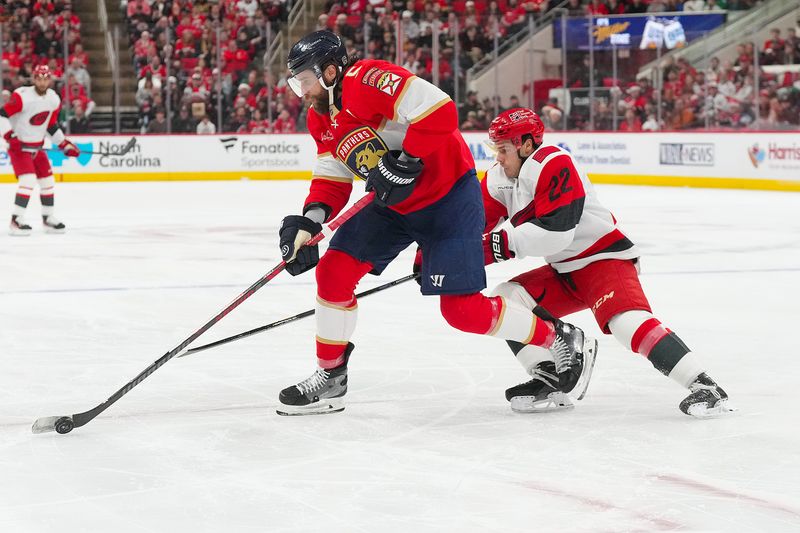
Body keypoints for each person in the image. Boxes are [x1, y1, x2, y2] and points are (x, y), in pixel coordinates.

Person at [275, 31, 593, 416]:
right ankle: (331, 377)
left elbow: (441, 110)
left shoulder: (366, 79)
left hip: (448, 199)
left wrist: (407, 160)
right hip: (392, 205)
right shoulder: (319, 117)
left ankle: (557, 337)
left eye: (305, 80)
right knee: (333, 272)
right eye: (297, 83)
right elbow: (332, 174)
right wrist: (310, 222)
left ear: (330, 71)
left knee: (463, 312)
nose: (302, 91)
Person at [480, 107, 733, 418]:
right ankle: (551, 379)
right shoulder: (500, 177)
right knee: (507, 300)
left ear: (526, 145)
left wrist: (493, 247)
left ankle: (705, 386)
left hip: (603, 259)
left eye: (504, 149)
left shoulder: (553, 163)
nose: (499, 158)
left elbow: (555, 234)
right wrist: (444, 250)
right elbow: (472, 222)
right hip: (564, 271)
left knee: (626, 322)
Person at [0, 65, 79, 236]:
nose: (42, 82)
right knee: (28, 180)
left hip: (37, 147)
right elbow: (2, 115)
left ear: (49, 80)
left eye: (45, 79)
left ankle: (48, 218)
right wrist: (10, 137)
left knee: (47, 182)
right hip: (20, 147)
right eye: (39, 78)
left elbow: (50, 125)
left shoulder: (53, 99)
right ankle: (16, 220)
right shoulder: (22, 96)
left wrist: (64, 144)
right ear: (34, 79)